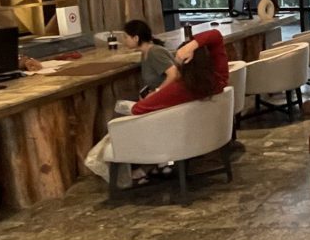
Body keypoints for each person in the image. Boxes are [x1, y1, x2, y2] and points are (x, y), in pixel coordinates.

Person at [84, 29, 230, 181]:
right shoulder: (219, 79)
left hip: (170, 137)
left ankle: (138, 169)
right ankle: (149, 167)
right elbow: (216, 36)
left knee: (119, 119)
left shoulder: (178, 90)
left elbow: (138, 109)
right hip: (202, 133)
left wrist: (127, 104)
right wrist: (193, 45)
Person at [124, 19, 174, 98]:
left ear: (136, 38)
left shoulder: (155, 52)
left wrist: (156, 93)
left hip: (169, 96)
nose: (125, 40)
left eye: (126, 37)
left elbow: (174, 74)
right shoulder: (144, 53)